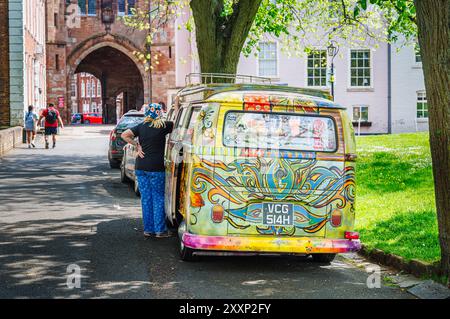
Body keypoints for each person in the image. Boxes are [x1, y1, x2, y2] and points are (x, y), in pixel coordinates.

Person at [121, 103, 174, 238]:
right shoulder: (164, 126)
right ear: (159, 113)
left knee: (146, 198)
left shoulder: (141, 126)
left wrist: (137, 145)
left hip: (141, 167)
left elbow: (124, 135)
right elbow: (177, 124)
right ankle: (160, 231)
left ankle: (148, 230)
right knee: (158, 198)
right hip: (156, 168)